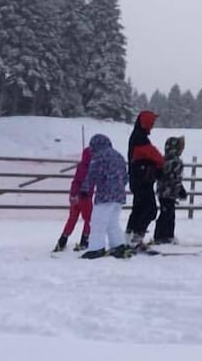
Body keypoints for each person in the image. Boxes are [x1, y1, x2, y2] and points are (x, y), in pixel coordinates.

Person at [80, 134, 132, 259]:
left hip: (105, 195)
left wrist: (85, 189)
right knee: (112, 222)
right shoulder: (119, 156)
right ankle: (118, 245)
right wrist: (119, 187)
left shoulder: (99, 156)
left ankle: (96, 248)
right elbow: (125, 176)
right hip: (119, 195)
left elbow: (92, 174)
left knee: (97, 222)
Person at [126, 110, 165, 248]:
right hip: (143, 180)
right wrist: (160, 166)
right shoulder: (140, 138)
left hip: (137, 179)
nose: (152, 126)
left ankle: (128, 238)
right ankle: (136, 238)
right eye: (151, 122)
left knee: (138, 209)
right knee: (150, 210)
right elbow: (155, 155)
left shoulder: (136, 136)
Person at [53, 145, 93, 252]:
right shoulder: (92, 168)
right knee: (89, 220)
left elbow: (76, 181)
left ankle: (62, 240)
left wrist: (73, 194)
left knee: (72, 219)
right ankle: (84, 240)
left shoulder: (80, 166)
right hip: (85, 197)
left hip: (76, 196)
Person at [153, 136, 188, 245]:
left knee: (165, 212)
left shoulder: (164, 159)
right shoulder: (176, 161)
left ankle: (162, 235)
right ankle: (165, 236)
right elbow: (174, 178)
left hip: (162, 190)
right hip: (170, 191)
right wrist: (180, 189)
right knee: (168, 214)